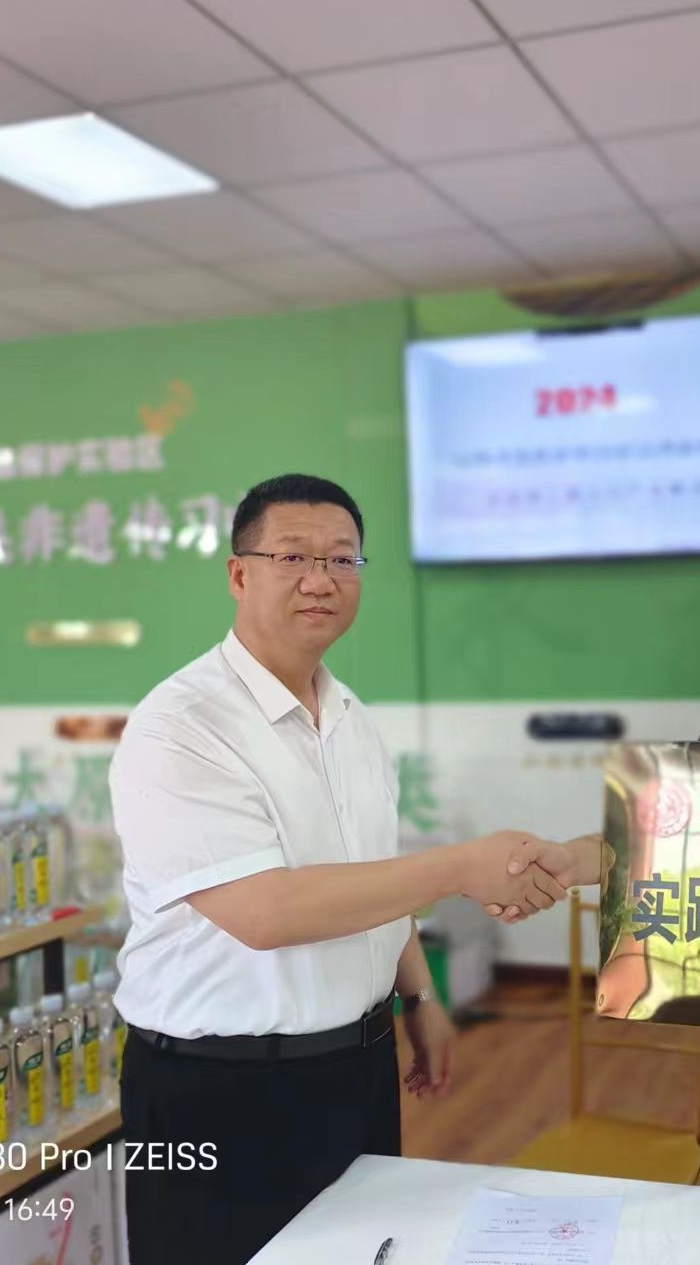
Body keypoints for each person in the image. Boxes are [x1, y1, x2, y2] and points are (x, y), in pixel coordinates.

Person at [109, 474, 602, 1265]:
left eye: (342, 559)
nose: (321, 579)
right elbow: (265, 912)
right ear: (239, 574)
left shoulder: (352, 719)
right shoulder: (180, 726)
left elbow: (371, 880)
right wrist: (462, 867)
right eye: (293, 557)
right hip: (216, 1085)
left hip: (356, 1069)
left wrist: (420, 995)